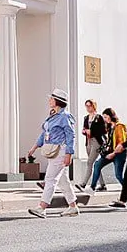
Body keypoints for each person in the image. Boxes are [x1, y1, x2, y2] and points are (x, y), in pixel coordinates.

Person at [27, 88, 79, 219]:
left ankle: (42, 208)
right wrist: (34, 147)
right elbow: (44, 133)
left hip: (61, 151)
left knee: (50, 179)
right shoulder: (52, 115)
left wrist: (69, 154)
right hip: (53, 151)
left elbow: (71, 136)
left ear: (57, 101)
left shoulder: (65, 117)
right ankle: (73, 207)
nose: (49, 100)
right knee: (63, 181)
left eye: (51, 98)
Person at [81, 107, 127, 196]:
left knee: (118, 175)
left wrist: (113, 154)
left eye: (106, 117)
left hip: (119, 154)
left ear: (111, 116)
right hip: (110, 153)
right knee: (97, 164)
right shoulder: (110, 127)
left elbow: (122, 143)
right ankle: (92, 188)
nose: (105, 119)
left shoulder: (119, 126)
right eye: (104, 117)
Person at [76, 100, 107, 191]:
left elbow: (103, 131)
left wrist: (92, 132)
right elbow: (84, 129)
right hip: (88, 142)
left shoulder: (99, 117)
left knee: (89, 162)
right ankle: (102, 184)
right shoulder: (86, 117)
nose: (87, 107)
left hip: (96, 142)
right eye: (86, 106)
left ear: (93, 106)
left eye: (89, 105)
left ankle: (83, 184)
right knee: (95, 164)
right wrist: (84, 131)